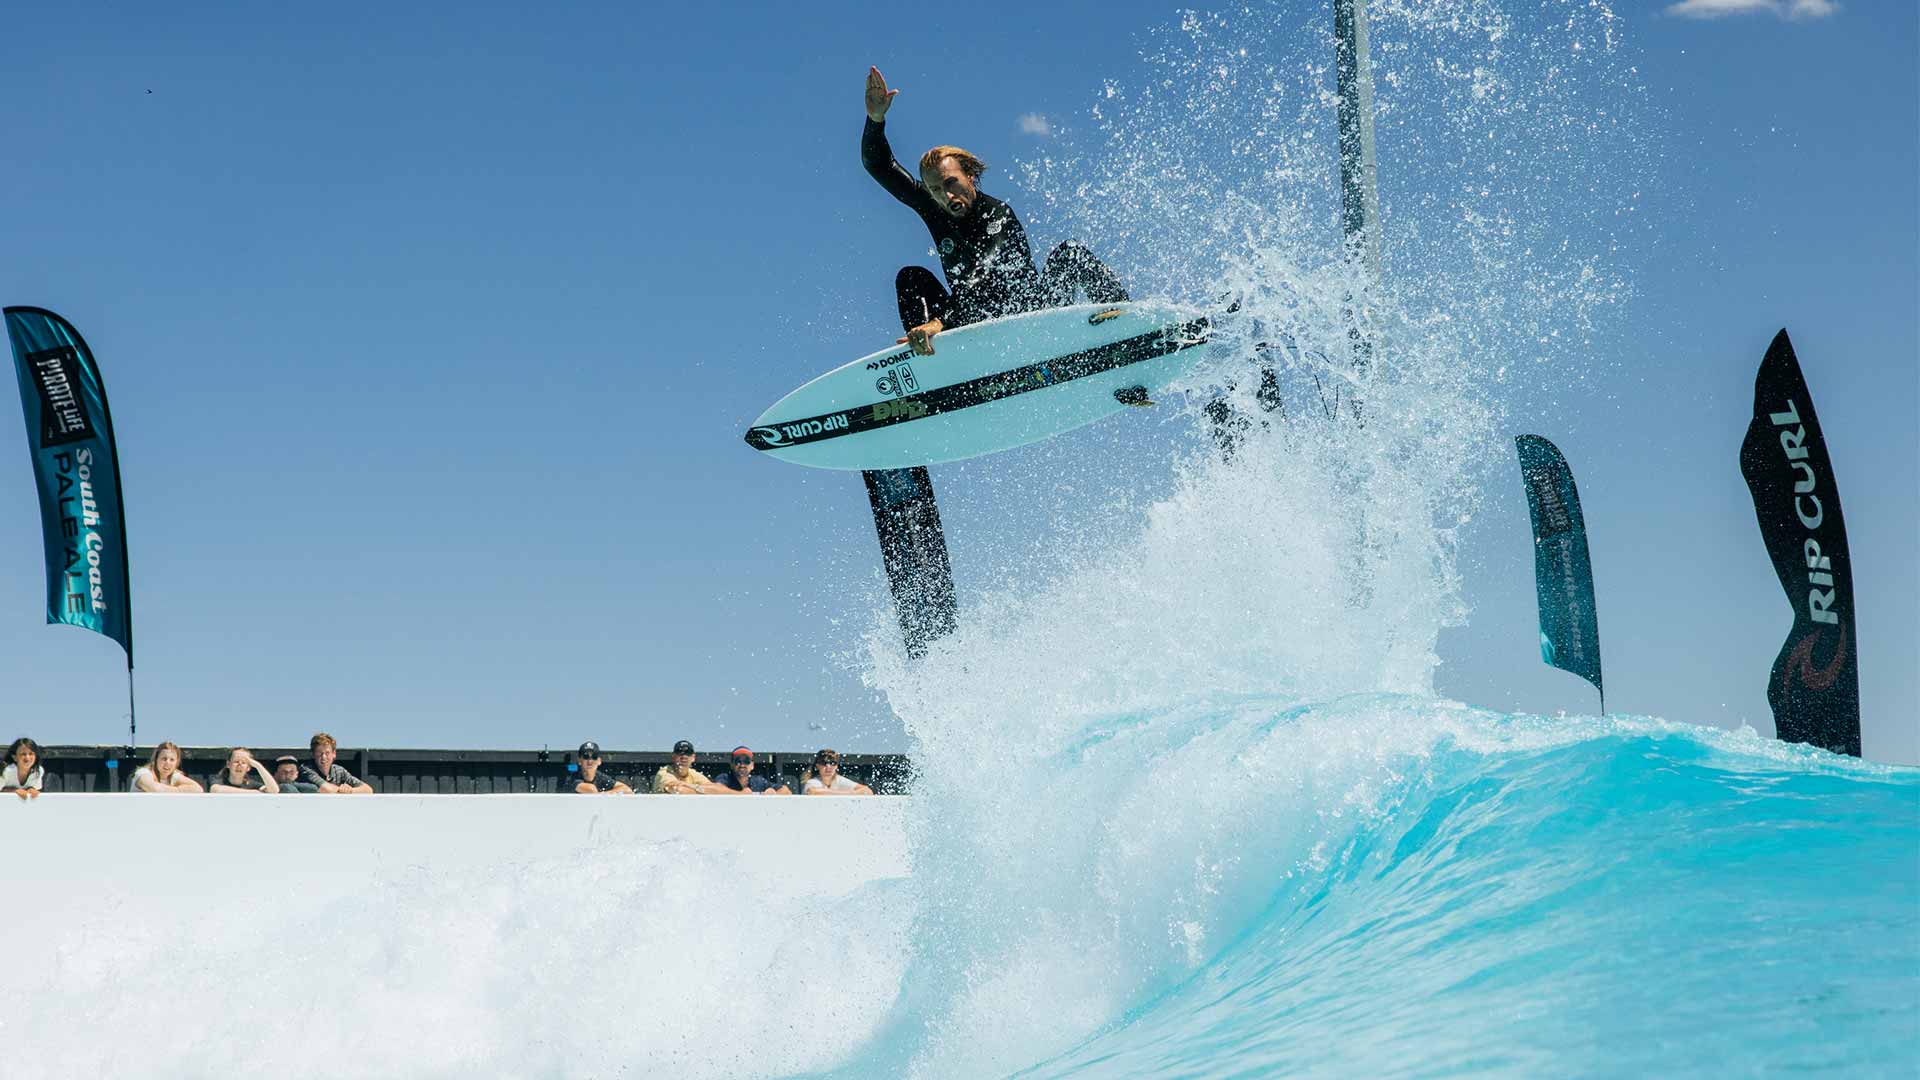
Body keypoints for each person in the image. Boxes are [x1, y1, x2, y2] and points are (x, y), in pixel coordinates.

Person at [862, 65, 1128, 356]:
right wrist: (875, 120)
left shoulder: (997, 215)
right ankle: (927, 357)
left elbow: (982, 276)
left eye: (952, 183)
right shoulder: (935, 208)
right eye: (936, 189)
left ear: (970, 176)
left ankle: (1124, 329)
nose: (945, 194)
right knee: (910, 278)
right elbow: (880, 166)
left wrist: (940, 320)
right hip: (972, 324)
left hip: (1033, 317)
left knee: (1071, 254)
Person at [300, 733, 374, 794]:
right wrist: (343, 790)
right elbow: (326, 789)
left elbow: (368, 790)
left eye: (327, 753)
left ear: (334, 754)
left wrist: (350, 790)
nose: (324, 757)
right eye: (319, 753)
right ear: (313, 754)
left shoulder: (339, 771)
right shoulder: (306, 769)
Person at [710, 746, 790, 795]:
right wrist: (740, 795)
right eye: (738, 761)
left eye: (746, 761)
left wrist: (774, 793)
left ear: (752, 765)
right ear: (732, 765)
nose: (742, 764)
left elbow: (786, 790)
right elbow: (714, 789)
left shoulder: (758, 782)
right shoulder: (725, 778)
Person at [130, 742, 202, 793]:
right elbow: (153, 788)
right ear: (156, 759)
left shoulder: (174, 776)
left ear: (176, 763)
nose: (168, 762)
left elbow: (198, 789)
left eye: (172, 760)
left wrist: (176, 790)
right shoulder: (143, 773)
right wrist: (179, 790)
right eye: (164, 759)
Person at [801, 749, 873, 796]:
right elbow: (813, 792)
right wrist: (851, 793)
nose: (828, 766)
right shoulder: (812, 782)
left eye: (832, 763)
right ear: (817, 766)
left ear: (836, 766)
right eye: (824, 763)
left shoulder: (840, 780)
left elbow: (868, 791)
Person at [209, 748, 280, 794]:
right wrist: (253, 793)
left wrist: (258, 766)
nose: (239, 765)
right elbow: (216, 790)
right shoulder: (218, 779)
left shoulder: (252, 784)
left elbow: (274, 791)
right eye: (236, 761)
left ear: (248, 768)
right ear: (228, 764)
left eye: (243, 762)